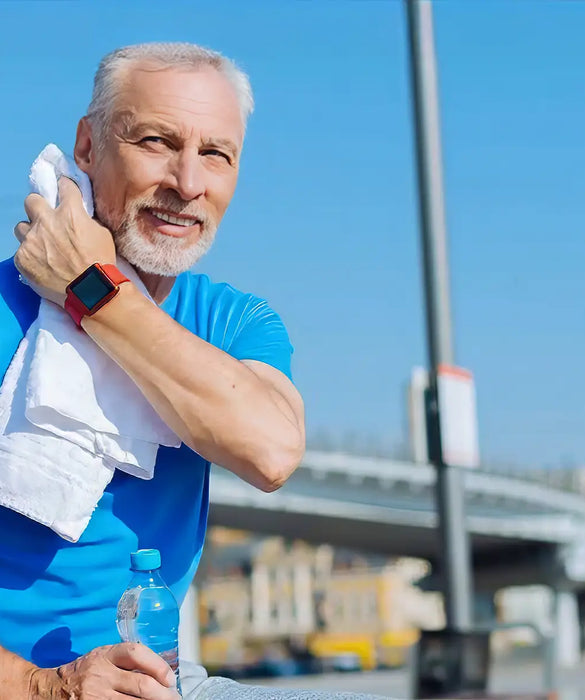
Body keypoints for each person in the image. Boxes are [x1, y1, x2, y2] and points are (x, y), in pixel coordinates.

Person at [0, 43, 385, 700]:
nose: (188, 182)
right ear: (88, 148)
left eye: (216, 155)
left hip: (165, 682)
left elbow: (269, 451)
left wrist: (91, 290)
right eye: (157, 141)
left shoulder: (234, 322)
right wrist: (49, 686)